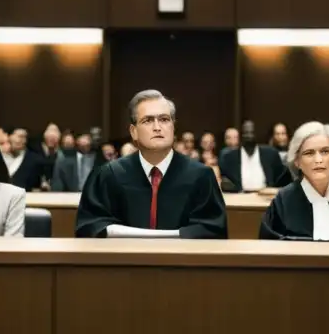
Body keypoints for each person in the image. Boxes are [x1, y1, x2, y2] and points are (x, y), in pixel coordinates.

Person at [75, 90, 227, 239]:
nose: (157, 127)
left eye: (164, 119)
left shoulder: (201, 176)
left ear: (173, 127)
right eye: (148, 120)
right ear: (133, 131)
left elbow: (213, 230)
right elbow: (89, 227)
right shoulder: (108, 175)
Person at [218, 120, 292, 192]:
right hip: (240, 198)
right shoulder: (229, 157)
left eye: (251, 132)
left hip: (265, 198)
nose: (249, 136)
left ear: (256, 134)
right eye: (246, 133)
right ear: (240, 136)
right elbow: (225, 181)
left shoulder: (271, 154)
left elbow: (282, 179)